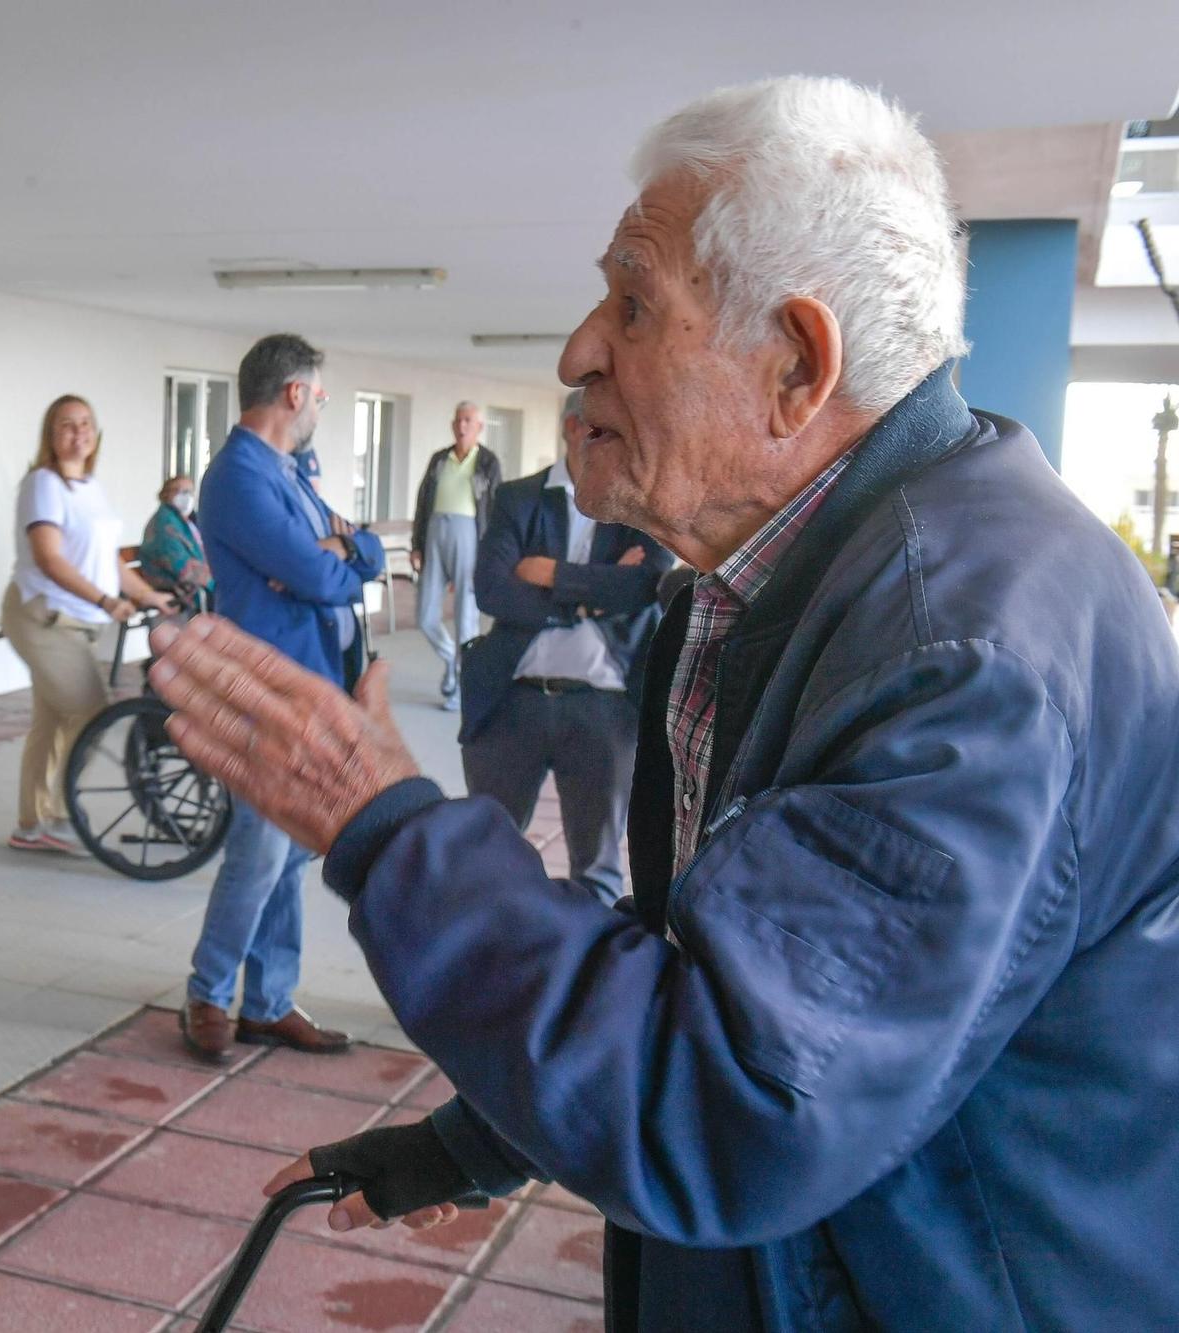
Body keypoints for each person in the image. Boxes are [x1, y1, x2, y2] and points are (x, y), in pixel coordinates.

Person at [147, 76, 1179, 1330]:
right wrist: (479, 1139)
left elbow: (734, 1103)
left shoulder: (958, 654)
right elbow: (727, 973)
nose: (579, 349)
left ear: (795, 364)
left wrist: (382, 825)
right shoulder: (769, 581)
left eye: (633, 304)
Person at [180, 332, 384, 1064]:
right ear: (294, 393)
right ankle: (208, 992)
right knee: (261, 850)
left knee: (294, 851)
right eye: (320, 395)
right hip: (262, 687)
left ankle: (267, 1001)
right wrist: (332, 559)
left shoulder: (286, 472)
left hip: (310, 680)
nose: (320, 407)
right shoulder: (238, 475)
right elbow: (322, 573)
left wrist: (342, 552)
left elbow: (353, 550)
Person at [459, 388, 671, 904]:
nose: (622, 443)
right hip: (514, 699)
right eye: (607, 430)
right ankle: (493, 974)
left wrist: (549, 574)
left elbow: (646, 586)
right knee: (490, 856)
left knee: (596, 870)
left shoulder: (641, 502)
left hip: (603, 706)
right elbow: (491, 588)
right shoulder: (519, 498)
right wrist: (588, 595)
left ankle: (585, 981)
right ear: (573, 429)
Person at [2, 394, 175, 854]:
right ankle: (58, 817)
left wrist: (144, 594)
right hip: (43, 616)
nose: (78, 432)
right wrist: (105, 600)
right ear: (50, 435)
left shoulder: (90, 487)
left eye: (85, 424)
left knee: (53, 719)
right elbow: (49, 557)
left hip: (76, 621)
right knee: (91, 710)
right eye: (66, 424)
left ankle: (31, 824)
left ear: (95, 434)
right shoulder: (44, 483)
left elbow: (107, 561)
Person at [408, 401, 503, 709]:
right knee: (425, 615)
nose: (462, 425)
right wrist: (417, 544)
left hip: (470, 537)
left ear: (479, 427)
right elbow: (423, 502)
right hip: (436, 533)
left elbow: (495, 509)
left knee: (466, 617)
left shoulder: (488, 462)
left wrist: (492, 552)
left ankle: (460, 684)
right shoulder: (439, 459)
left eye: (468, 420)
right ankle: (453, 660)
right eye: (458, 420)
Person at [138, 473, 212, 607]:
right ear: (166, 494)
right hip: (173, 587)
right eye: (179, 491)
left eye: (190, 492)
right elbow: (181, 565)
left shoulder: (186, 521)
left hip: (188, 584)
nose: (186, 496)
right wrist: (217, 582)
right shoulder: (164, 523)